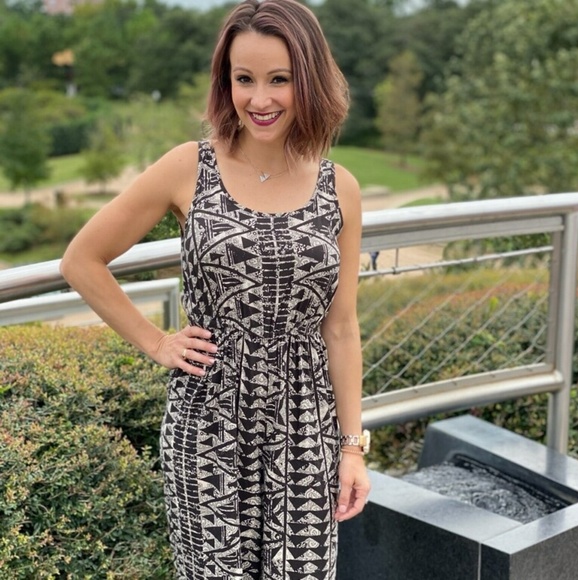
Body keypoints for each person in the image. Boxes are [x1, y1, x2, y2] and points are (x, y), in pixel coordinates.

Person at [60, 0, 370, 578]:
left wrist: (352, 448)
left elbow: (342, 327)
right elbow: (82, 260)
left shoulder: (339, 188)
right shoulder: (189, 167)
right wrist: (156, 342)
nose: (260, 99)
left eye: (280, 79)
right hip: (208, 425)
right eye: (243, 79)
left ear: (310, 80)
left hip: (307, 432)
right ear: (224, 82)